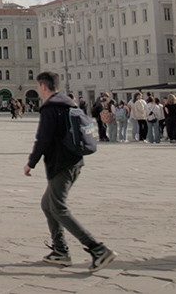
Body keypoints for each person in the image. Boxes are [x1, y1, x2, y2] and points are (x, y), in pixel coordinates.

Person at [24, 71, 116, 272]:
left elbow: (43, 139)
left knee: (58, 208)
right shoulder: (69, 104)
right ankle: (60, 251)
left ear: (42, 86)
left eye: (38, 86)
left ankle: (97, 249)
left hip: (62, 164)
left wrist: (31, 163)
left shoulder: (51, 108)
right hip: (74, 161)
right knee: (47, 204)